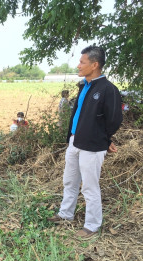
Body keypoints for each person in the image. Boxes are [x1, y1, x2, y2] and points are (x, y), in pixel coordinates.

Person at [48, 46, 123, 239]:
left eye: (82, 62)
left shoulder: (108, 90)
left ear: (95, 65)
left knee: (89, 187)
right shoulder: (84, 86)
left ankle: (91, 225)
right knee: (70, 181)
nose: (78, 65)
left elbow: (114, 119)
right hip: (75, 142)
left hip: (92, 146)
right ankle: (65, 214)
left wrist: (104, 139)